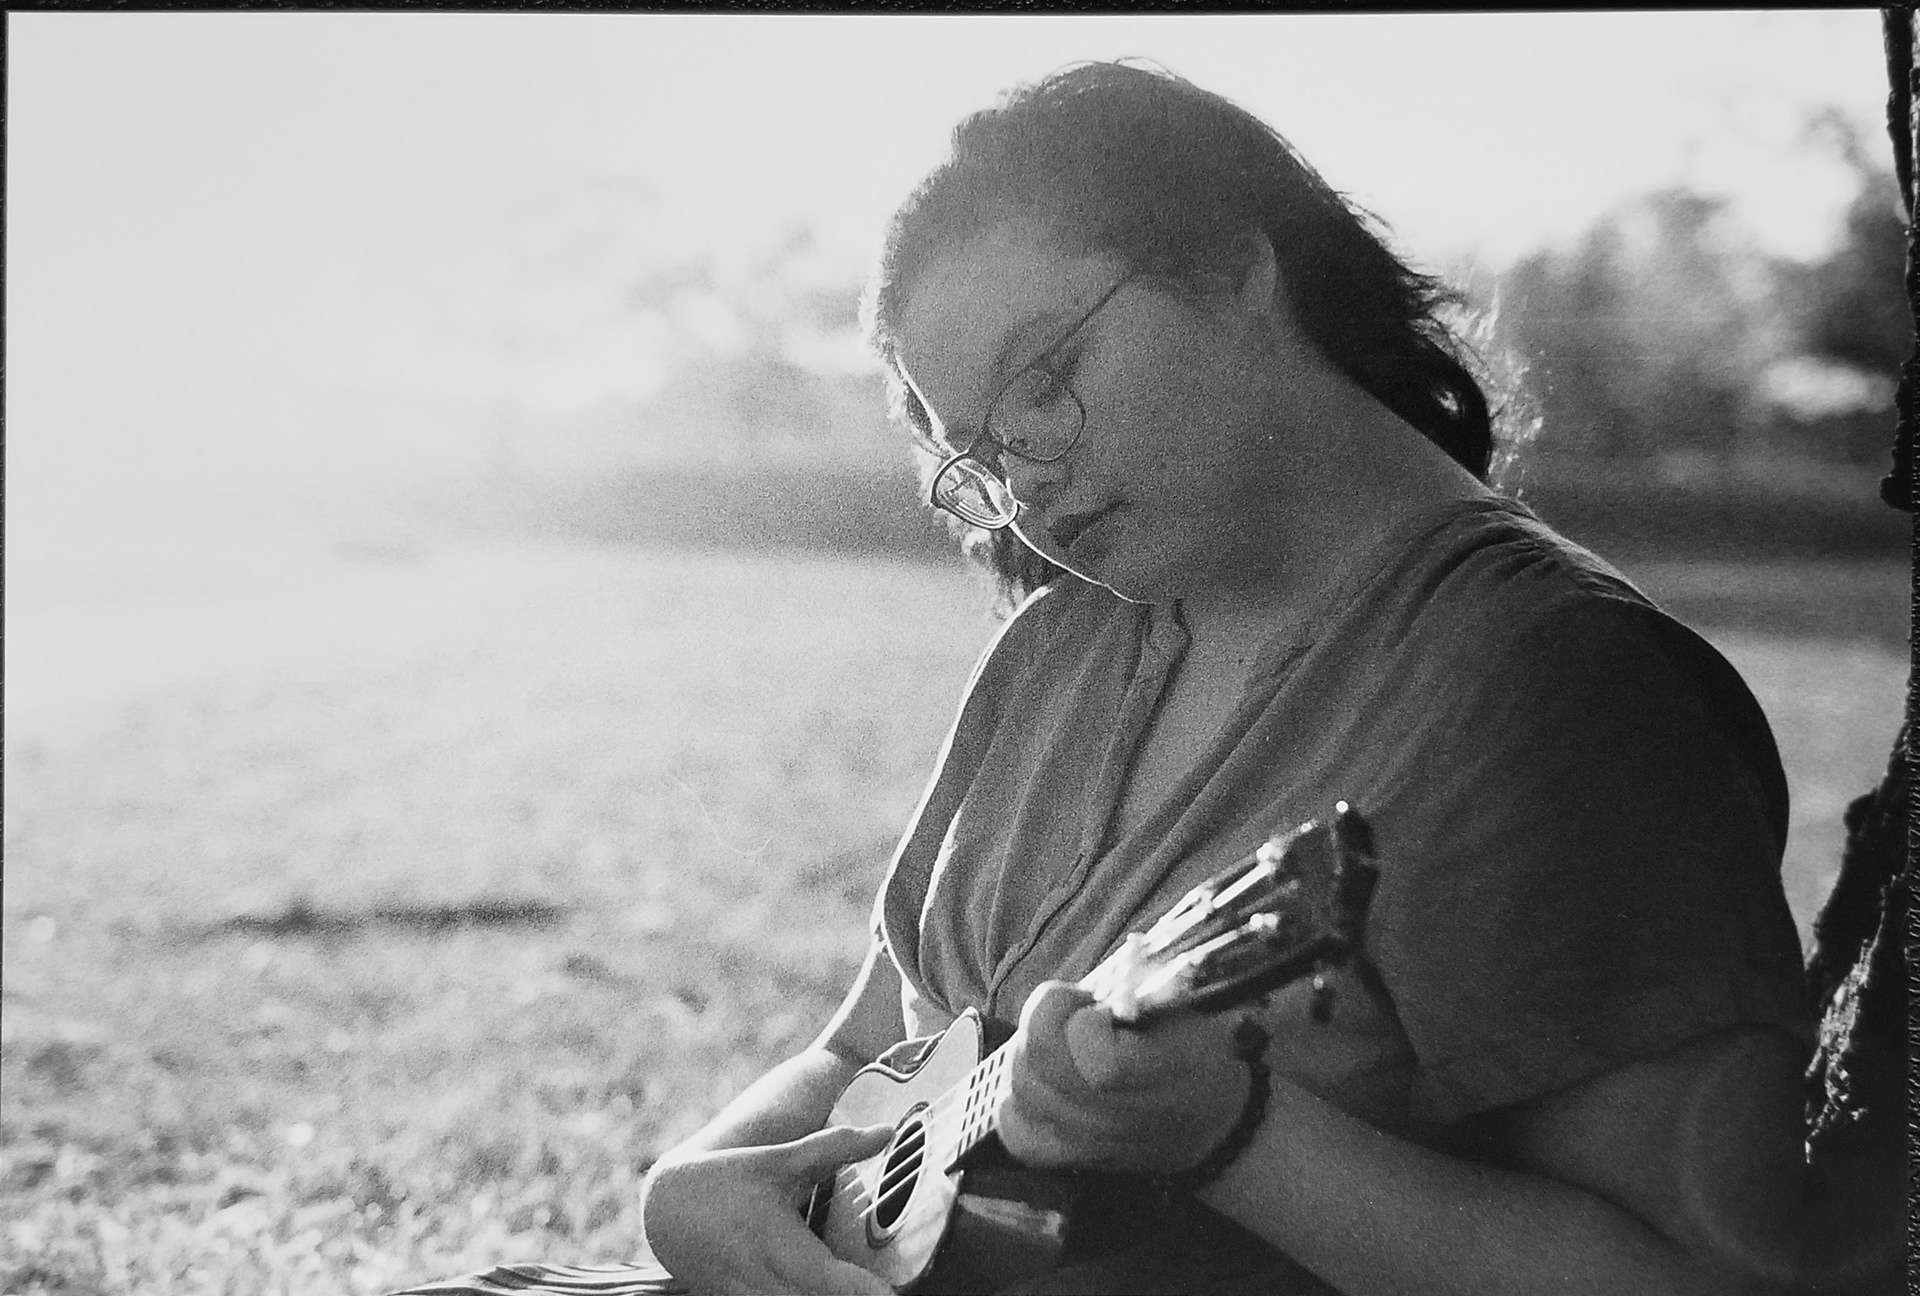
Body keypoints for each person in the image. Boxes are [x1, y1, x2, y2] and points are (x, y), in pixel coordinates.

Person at [399, 60, 1815, 1296]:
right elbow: (858, 1057)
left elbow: (1701, 1278)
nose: (1027, 473)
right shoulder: (1061, 645)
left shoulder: (1549, 687)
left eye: (1048, 374)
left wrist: (1238, 1136)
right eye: (980, 449)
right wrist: (694, 1189)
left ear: (1239, 268)